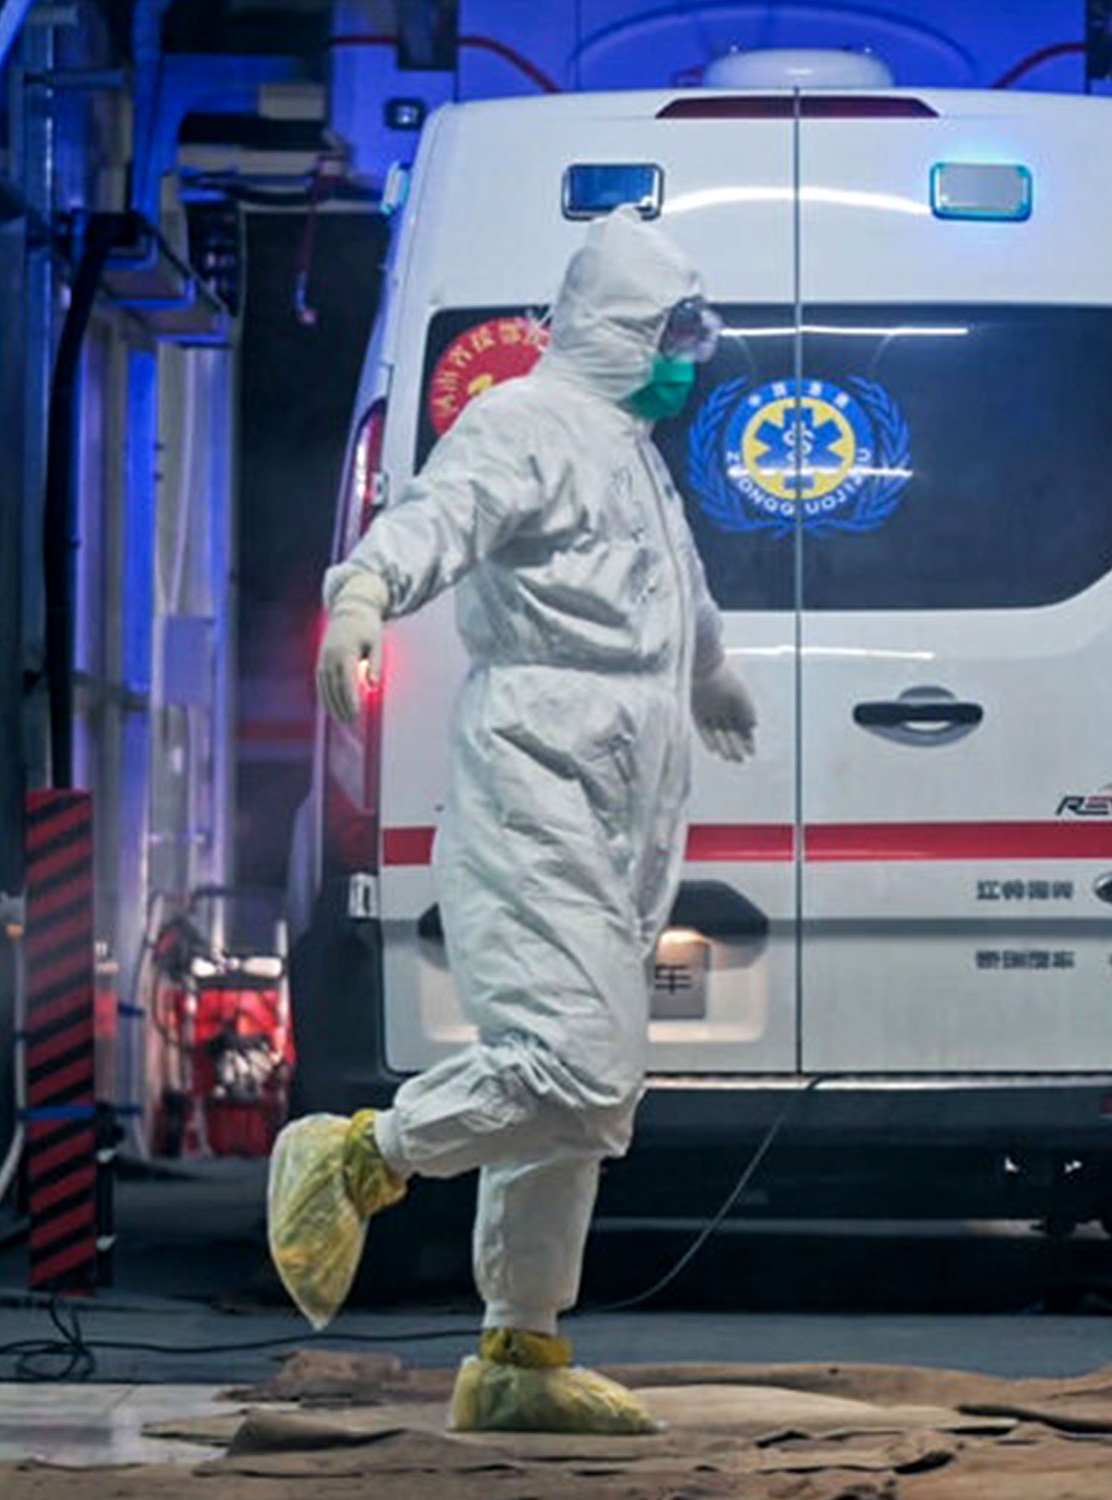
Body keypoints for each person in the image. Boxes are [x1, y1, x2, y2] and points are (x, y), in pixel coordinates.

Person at [268, 207, 757, 1435]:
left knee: (571, 1109)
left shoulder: (630, 450)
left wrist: (709, 674)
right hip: (538, 769)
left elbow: (673, 587)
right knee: (578, 1070)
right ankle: (360, 1154)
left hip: (623, 788)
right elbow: (440, 514)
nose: (687, 359)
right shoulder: (523, 421)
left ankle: (518, 1354)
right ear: (618, 328)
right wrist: (364, 591)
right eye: (673, 334)